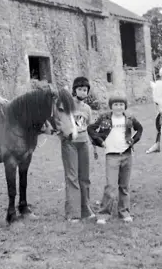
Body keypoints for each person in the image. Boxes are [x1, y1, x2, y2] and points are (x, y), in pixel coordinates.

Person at [88, 91, 143, 224]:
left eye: (121, 104)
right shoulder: (105, 118)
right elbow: (91, 129)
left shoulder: (129, 118)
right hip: (111, 156)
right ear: (111, 106)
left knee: (124, 186)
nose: (119, 107)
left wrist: (133, 141)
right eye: (116, 104)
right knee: (111, 186)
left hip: (126, 155)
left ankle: (124, 212)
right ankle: (103, 214)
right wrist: (100, 141)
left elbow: (139, 129)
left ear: (125, 106)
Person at [61, 76, 95, 222]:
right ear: (74, 90)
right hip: (70, 144)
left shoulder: (87, 109)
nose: (82, 92)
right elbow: (60, 122)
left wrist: (94, 145)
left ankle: (85, 209)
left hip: (84, 143)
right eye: (80, 89)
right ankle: (73, 213)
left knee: (85, 177)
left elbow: (90, 127)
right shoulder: (67, 105)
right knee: (72, 177)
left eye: (85, 90)